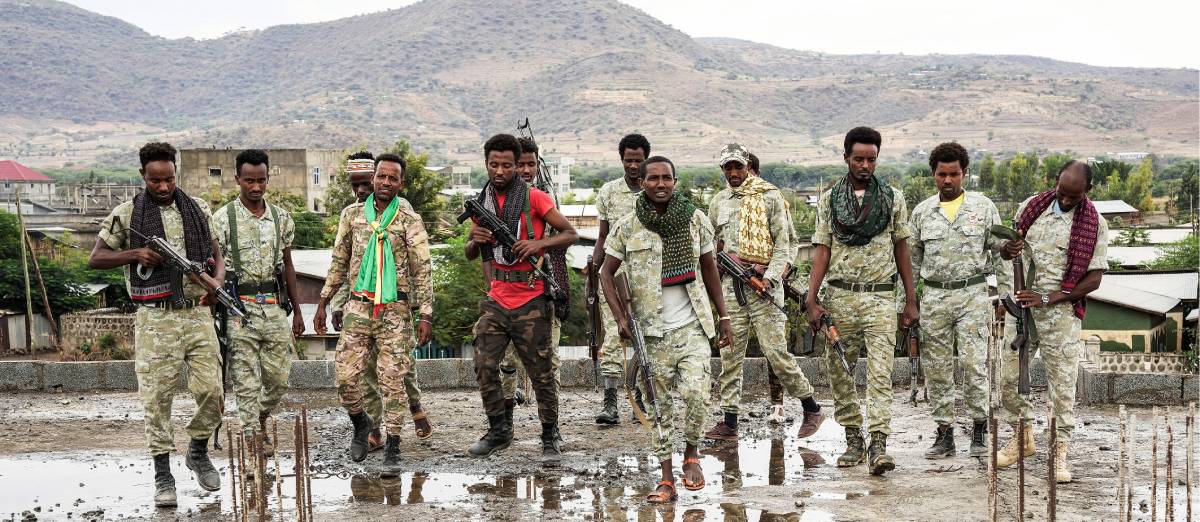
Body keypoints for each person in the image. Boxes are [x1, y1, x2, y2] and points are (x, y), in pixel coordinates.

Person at [89, 142, 225, 507]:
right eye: (155, 181)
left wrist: (218, 283)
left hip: (197, 313)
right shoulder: (127, 213)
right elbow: (96, 257)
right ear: (143, 176)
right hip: (155, 318)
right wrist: (135, 253)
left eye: (169, 179)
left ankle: (197, 450)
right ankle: (163, 475)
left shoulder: (197, 208)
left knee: (213, 390)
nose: (163, 187)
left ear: (176, 173)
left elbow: (216, 253)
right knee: (156, 400)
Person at [600, 156, 733, 502]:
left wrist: (724, 318)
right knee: (659, 406)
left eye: (667, 178)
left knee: (697, 395)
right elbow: (605, 272)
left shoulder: (695, 220)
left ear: (675, 181)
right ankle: (665, 478)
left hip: (691, 326)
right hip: (650, 332)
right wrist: (620, 318)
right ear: (642, 182)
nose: (661, 184)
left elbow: (710, 270)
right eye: (653, 178)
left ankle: (691, 455)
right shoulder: (628, 226)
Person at [806, 127, 918, 476]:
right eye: (859, 158)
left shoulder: (892, 198)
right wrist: (811, 299)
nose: (865, 165)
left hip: (880, 298)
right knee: (839, 370)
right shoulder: (829, 200)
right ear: (846, 158)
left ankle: (879, 444)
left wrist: (910, 300)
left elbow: (902, 247)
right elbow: (821, 250)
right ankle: (854, 438)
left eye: (871, 159)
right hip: (839, 297)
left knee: (881, 374)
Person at [313, 153, 433, 476]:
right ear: (375, 177)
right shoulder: (352, 215)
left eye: (393, 179)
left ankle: (393, 446)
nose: (385, 183)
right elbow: (339, 260)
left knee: (392, 380)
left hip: (395, 310)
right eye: (381, 176)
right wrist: (324, 301)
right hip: (357, 306)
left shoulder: (409, 220)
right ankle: (360, 422)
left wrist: (425, 313)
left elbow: (423, 270)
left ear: (400, 184)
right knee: (345, 377)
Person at [465, 134, 578, 462]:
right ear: (486, 163)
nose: (499, 171)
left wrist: (538, 245)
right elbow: (473, 254)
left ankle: (549, 433)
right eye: (493, 164)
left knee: (541, 371)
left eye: (507, 165)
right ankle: (499, 430)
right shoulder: (481, 203)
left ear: (518, 166)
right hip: (497, 298)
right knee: (485, 365)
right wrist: (475, 239)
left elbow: (570, 233)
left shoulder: (536, 199)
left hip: (532, 298)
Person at [995, 161, 1108, 483]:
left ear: (1087, 191)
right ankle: (1022, 438)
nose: (1066, 201)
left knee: (1062, 388)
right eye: (1063, 193)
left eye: (1074, 197)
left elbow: (1095, 279)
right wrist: (1008, 248)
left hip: (1061, 314)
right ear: (1056, 182)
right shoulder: (1031, 207)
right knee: (1008, 377)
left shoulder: (1095, 224)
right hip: (1023, 311)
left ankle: (1059, 453)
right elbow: (1007, 252)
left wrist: (1050, 298)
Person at [705, 144, 824, 442]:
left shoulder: (770, 197)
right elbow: (712, 244)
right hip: (732, 290)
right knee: (730, 355)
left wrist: (768, 279)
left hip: (763, 289)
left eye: (738, 167)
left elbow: (784, 245)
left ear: (747, 166)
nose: (733, 173)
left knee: (776, 353)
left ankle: (811, 408)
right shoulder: (719, 201)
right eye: (727, 168)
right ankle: (730, 422)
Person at [907, 142, 1010, 459]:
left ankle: (980, 430)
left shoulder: (983, 208)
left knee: (973, 363)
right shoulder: (923, 213)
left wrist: (1005, 296)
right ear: (933, 175)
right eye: (942, 174)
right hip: (935, 297)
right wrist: (907, 304)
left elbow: (1001, 253)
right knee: (937, 369)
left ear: (964, 174)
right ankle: (944, 433)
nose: (948, 181)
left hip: (973, 296)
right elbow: (910, 263)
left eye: (954, 174)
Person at [212, 149, 304, 460]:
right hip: (240, 309)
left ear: (268, 179)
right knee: (245, 381)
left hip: (274, 307)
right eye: (249, 180)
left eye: (261, 180)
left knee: (279, 379)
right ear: (237, 179)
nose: (255, 187)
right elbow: (215, 266)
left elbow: (288, 265)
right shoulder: (223, 220)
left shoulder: (282, 218)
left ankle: (261, 418)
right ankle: (252, 435)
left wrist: (297, 310)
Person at [590, 134, 649, 425]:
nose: (634, 165)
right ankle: (611, 401)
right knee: (614, 336)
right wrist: (594, 274)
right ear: (621, 160)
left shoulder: (657, 190)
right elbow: (602, 236)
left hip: (647, 278)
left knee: (645, 338)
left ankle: (640, 398)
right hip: (614, 275)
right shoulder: (609, 192)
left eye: (639, 160)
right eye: (629, 160)